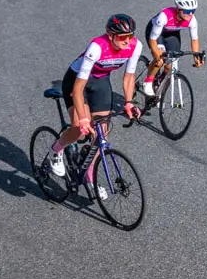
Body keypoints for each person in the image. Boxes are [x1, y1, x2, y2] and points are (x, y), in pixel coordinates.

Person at [45, 14, 144, 180]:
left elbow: (128, 77)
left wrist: (128, 103)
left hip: (100, 81)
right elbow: (78, 88)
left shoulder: (135, 46)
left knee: (101, 135)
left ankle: (90, 176)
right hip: (77, 81)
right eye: (122, 37)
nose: (127, 40)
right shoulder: (97, 47)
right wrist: (83, 119)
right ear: (110, 35)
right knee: (78, 129)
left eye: (130, 35)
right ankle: (55, 150)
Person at [141, 0, 203, 105]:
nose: (190, 14)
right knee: (160, 60)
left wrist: (196, 56)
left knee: (170, 65)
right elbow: (153, 40)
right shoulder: (164, 16)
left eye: (193, 11)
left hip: (172, 34)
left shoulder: (192, 20)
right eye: (187, 11)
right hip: (156, 34)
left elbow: (194, 39)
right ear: (178, 9)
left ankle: (160, 84)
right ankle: (148, 81)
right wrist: (157, 56)